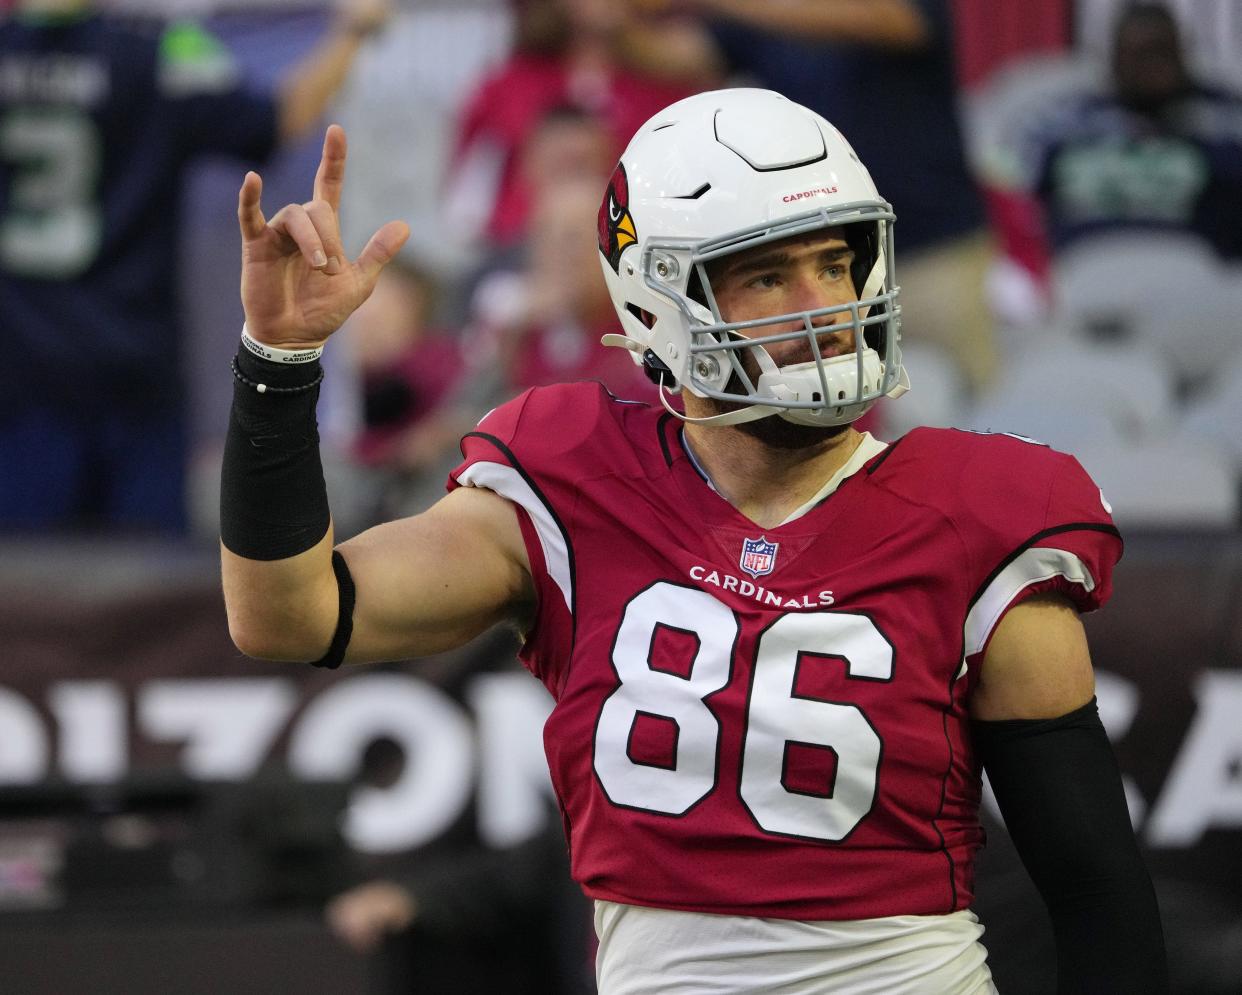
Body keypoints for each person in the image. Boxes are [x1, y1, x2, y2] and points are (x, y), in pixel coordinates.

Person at [221, 90, 1167, 992]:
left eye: (836, 262)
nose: (823, 302)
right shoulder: (569, 478)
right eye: (767, 273)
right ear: (653, 304)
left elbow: (1098, 892)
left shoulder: (980, 512)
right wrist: (279, 364)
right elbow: (290, 615)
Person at [0, 0, 391, 533]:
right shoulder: (163, 50)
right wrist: (356, 29)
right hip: (133, 373)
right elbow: (283, 116)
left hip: (19, 373)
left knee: (22, 597)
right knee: (149, 597)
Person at [1010, 2, 1242, 262]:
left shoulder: (1225, 120)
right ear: (1115, 59)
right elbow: (1019, 200)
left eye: (1163, 52)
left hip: (1205, 275)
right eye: (1141, 55)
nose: (1154, 67)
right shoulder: (1066, 126)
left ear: (1183, 52)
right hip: (1088, 266)